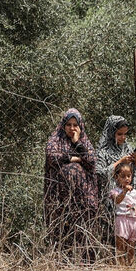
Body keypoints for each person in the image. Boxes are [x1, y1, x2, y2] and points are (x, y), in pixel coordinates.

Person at [43, 108, 100, 259]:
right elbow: (52, 157)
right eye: (69, 124)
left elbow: (92, 161)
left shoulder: (84, 142)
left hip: (82, 198)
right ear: (63, 125)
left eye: (76, 125)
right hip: (60, 197)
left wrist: (76, 142)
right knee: (62, 227)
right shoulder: (56, 140)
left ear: (80, 126)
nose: (72, 128)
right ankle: (62, 259)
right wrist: (72, 158)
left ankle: (86, 260)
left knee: (83, 227)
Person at [96, 116, 136, 244]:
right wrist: (119, 162)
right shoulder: (103, 152)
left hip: (129, 205)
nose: (123, 138)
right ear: (111, 133)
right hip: (110, 204)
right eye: (119, 134)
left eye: (125, 134)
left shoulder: (128, 149)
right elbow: (99, 173)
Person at [109, 162, 136, 266]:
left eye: (129, 176)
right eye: (123, 176)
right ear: (116, 177)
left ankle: (131, 265)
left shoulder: (135, 192)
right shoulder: (115, 191)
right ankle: (121, 266)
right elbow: (117, 201)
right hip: (122, 219)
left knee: (131, 246)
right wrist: (125, 191)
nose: (127, 179)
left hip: (133, 220)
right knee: (121, 245)